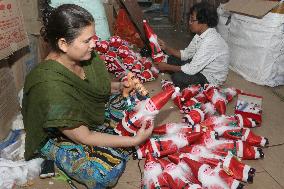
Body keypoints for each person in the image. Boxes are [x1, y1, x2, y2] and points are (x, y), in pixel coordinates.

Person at [22, 4, 153, 189]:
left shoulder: (84, 57)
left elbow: (94, 88)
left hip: (86, 115)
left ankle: (115, 139)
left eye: (93, 37)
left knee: (139, 102)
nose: (94, 44)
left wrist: (119, 86)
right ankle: (52, 153)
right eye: (87, 40)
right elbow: (83, 136)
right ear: (63, 44)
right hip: (59, 132)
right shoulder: (49, 85)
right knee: (101, 174)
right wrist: (135, 141)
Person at [154, 2, 229, 89]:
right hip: (200, 68)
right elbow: (186, 54)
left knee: (178, 78)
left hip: (211, 78)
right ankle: (174, 70)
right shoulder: (199, 34)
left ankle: (199, 85)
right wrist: (166, 47)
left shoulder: (210, 41)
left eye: (192, 20)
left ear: (204, 22)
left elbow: (191, 69)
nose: (189, 23)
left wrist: (167, 67)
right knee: (172, 59)